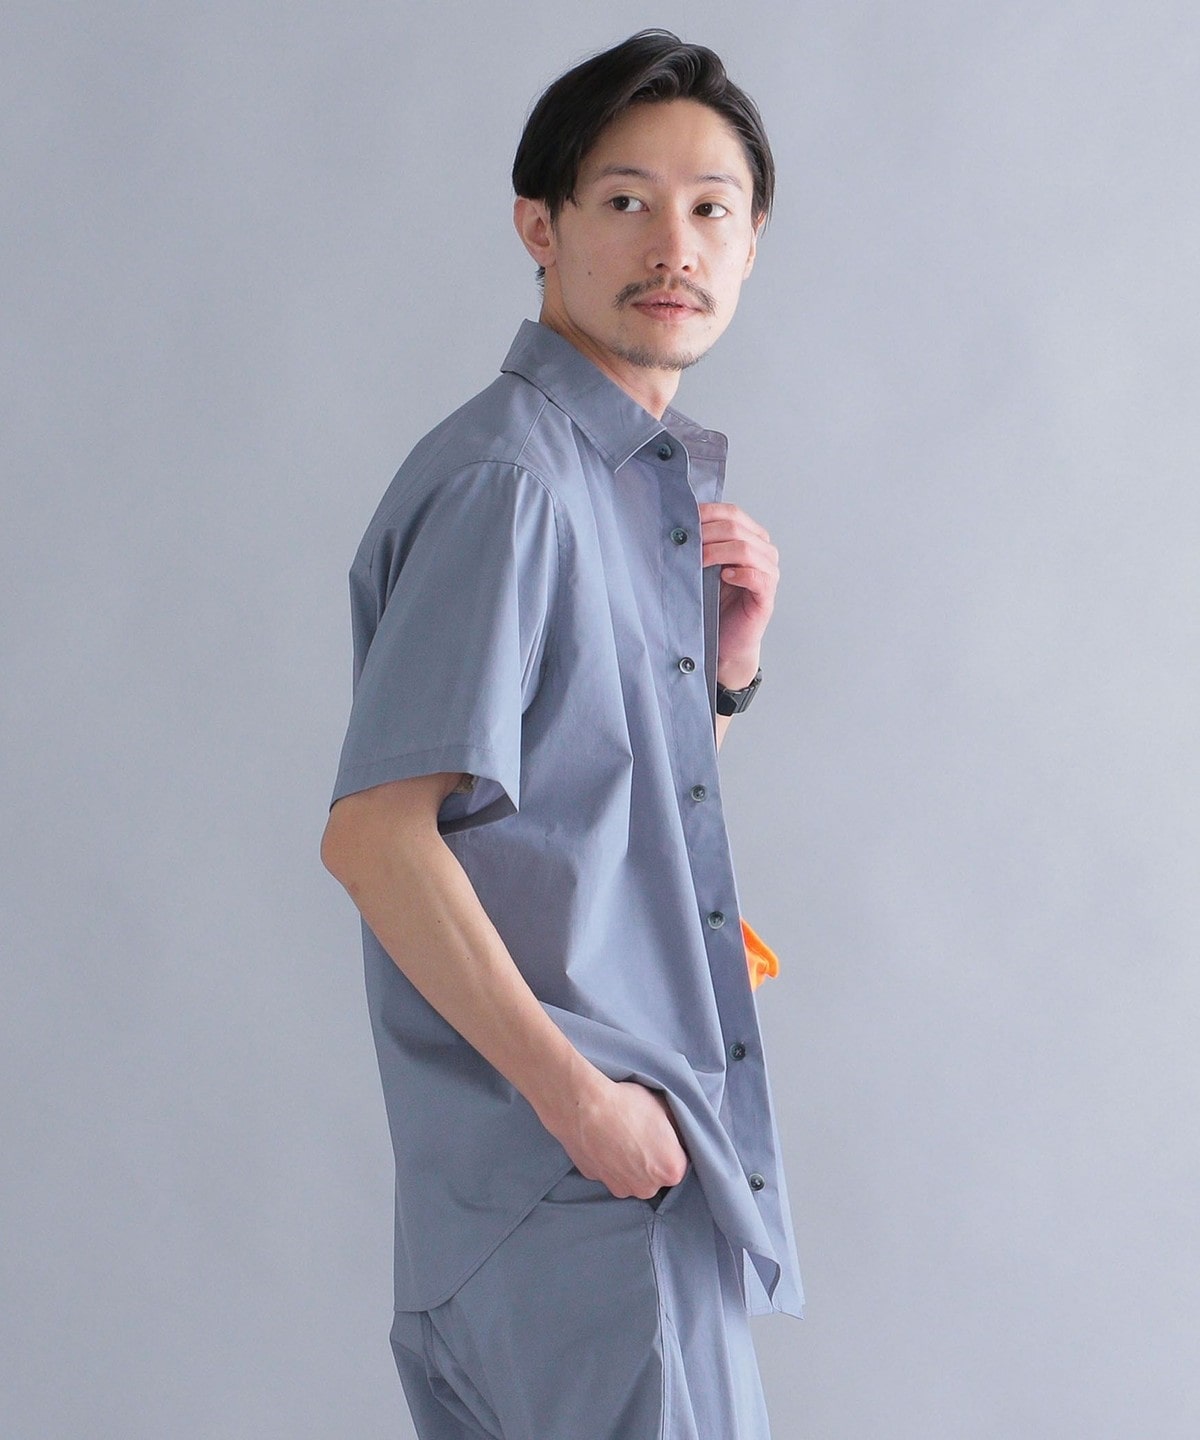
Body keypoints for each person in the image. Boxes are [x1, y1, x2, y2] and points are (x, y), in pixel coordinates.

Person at [321, 28, 803, 1440]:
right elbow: (377, 835)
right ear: (541, 225)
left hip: (549, 1211)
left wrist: (721, 682)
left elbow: (572, 823)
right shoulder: (517, 485)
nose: (674, 245)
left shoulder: (605, 487)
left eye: (711, 208)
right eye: (626, 200)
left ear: (752, 243)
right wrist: (584, 1105)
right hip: (585, 1207)